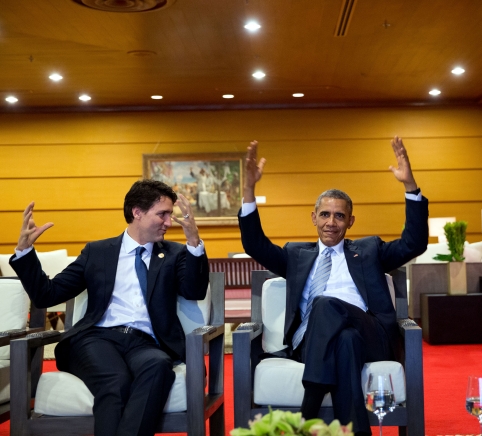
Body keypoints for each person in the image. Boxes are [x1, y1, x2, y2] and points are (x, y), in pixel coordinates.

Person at [238, 137, 428, 436]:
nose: (331, 222)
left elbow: (414, 243)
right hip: (310, 344)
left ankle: (308, 408)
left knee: (326, 304)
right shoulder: (295, 255)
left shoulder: (369, 250)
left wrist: (410, 187)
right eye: (325, 214)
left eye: (339, 216)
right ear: (314, 218)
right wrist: (248, 191)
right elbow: (255, 245)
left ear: (350, 221)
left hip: (372, 335)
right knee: (345, 342)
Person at [10, 180, 210, 436]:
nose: (169, 222)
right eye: (162, 214)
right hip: (97, 338)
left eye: (170, 214)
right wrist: (25, 253)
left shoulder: (175, 253)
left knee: (159, 367)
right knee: (115, 382)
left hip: (146, 343)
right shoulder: (98, 252)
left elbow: (194, 290)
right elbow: (47, 294)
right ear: (137, 212)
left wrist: (194, 241)